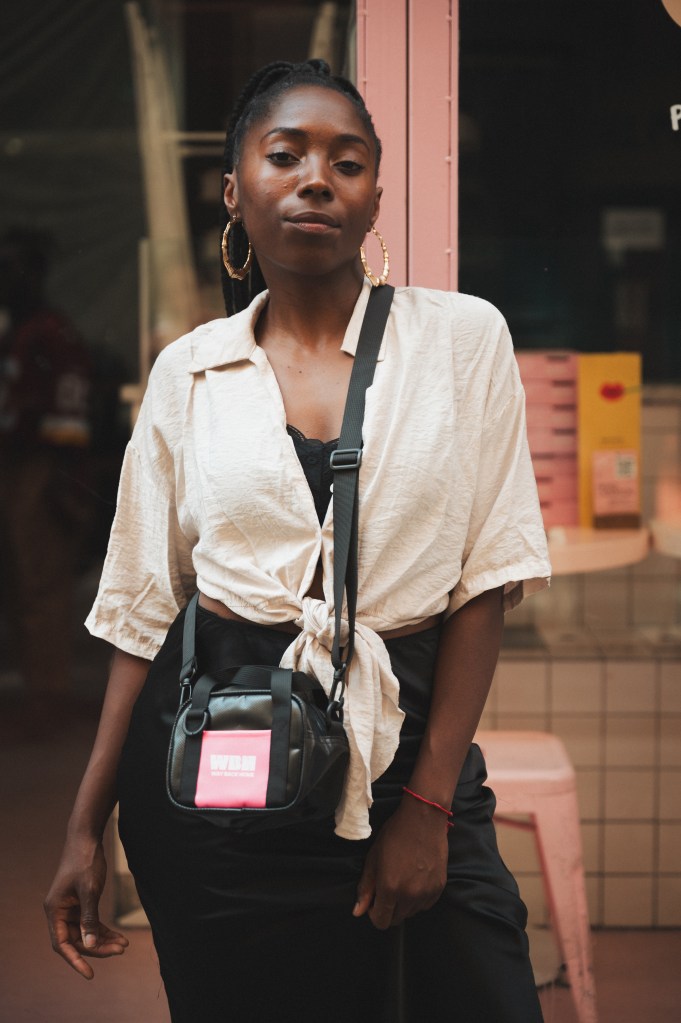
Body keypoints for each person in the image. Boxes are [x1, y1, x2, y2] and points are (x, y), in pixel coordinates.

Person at [44, 60, 551, 1022]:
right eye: (286, 155)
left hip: (406, 753)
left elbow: (485, 581)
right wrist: (85, 824)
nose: (317, 177)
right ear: (236, 190)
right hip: (220, 787)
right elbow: (140, 609)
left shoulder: (461, 341)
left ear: (373, 199)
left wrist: (432, 807)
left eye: (347, 161)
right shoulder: (189, 374)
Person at [0, 227, 92, 729]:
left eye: (14, 268)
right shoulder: (20, 329)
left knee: (41, 581)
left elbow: (68, 412)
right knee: (22, 580)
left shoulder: (48, 331)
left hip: (42, 465)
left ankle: (50, 694)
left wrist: (62, 476)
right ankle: (40, 688)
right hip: (18, 464)